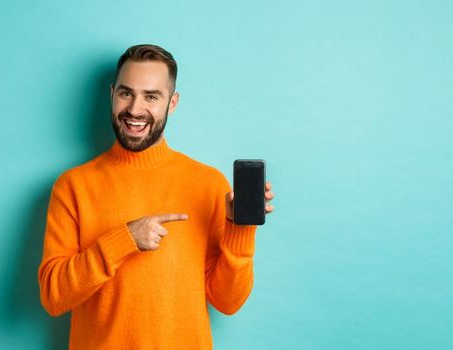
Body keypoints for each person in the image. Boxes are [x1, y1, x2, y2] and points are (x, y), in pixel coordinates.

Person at [37, 44, 275, 349]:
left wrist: (240, 229)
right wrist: (124, 240)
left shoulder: (208, 183)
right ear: (112, 94)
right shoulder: (73, 186)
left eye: (151, 96)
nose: (135, 109)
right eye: (126, 93)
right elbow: (54, 297)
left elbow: (228, 302)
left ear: (172, 103)